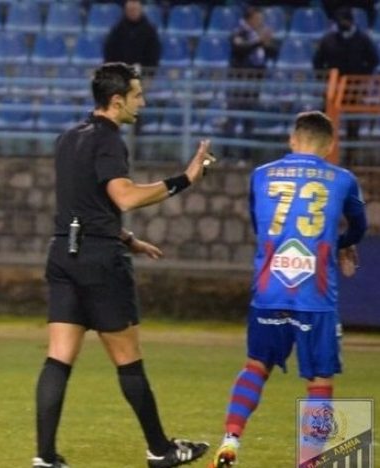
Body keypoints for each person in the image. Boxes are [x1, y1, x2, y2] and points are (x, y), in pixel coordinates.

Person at [32, 62, 213, 468]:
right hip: (99, 262)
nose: (142, 103)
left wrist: (128, 239)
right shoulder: (109, 140)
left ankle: (45, 458)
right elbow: (124, 197)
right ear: (116, 101)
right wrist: (185, 179)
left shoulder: (68, 138)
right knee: (128, 358)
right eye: (137, 95)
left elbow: (84, 206)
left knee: (58, 357)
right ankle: (160, 450)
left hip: (63, 254)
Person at [209, 111, 367, 468]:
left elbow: (259, 225)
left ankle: (230, 440)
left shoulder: (260, 175)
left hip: (270, 289)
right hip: (316, 293)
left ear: (292, 140)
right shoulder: (343, 180)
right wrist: (342, 244)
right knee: (320, 380)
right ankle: (309, 461)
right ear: (330, 145)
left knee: (255, 366)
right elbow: (359, 226)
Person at [312, 7, 379, 165]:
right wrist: (326, 79)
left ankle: (351, 159)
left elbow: (373, 60)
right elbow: (317, 62)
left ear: (351, 21)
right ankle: (323, 156)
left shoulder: (363, 39)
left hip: (353, 88)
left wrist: (362, 78)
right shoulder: (328, 40)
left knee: (353, 124)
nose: (343, 24)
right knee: (325, 121)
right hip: (333, 88)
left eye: (345, 21)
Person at [225, 6, 278, 152]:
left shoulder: (258, 35)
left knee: (249, 119)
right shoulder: (239, 32)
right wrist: (260, 41)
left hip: (254, 83)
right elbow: (240, 49)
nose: (260, 21)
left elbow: (273, 53)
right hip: (238, 83)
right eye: (257, 19)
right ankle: (226, 154)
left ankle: (245, 155)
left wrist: (267, 44)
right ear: (249, 19)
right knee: (232, 118)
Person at [102, 0, 161, 70]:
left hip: (143, 71)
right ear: (125, 11)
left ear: (140, 10)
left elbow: (154, 55)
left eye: (135, 10)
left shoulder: (150, 31)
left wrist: (145, 69)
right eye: (130, 10)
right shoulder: (116, 30)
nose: (133, 12)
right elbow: (109, 52)